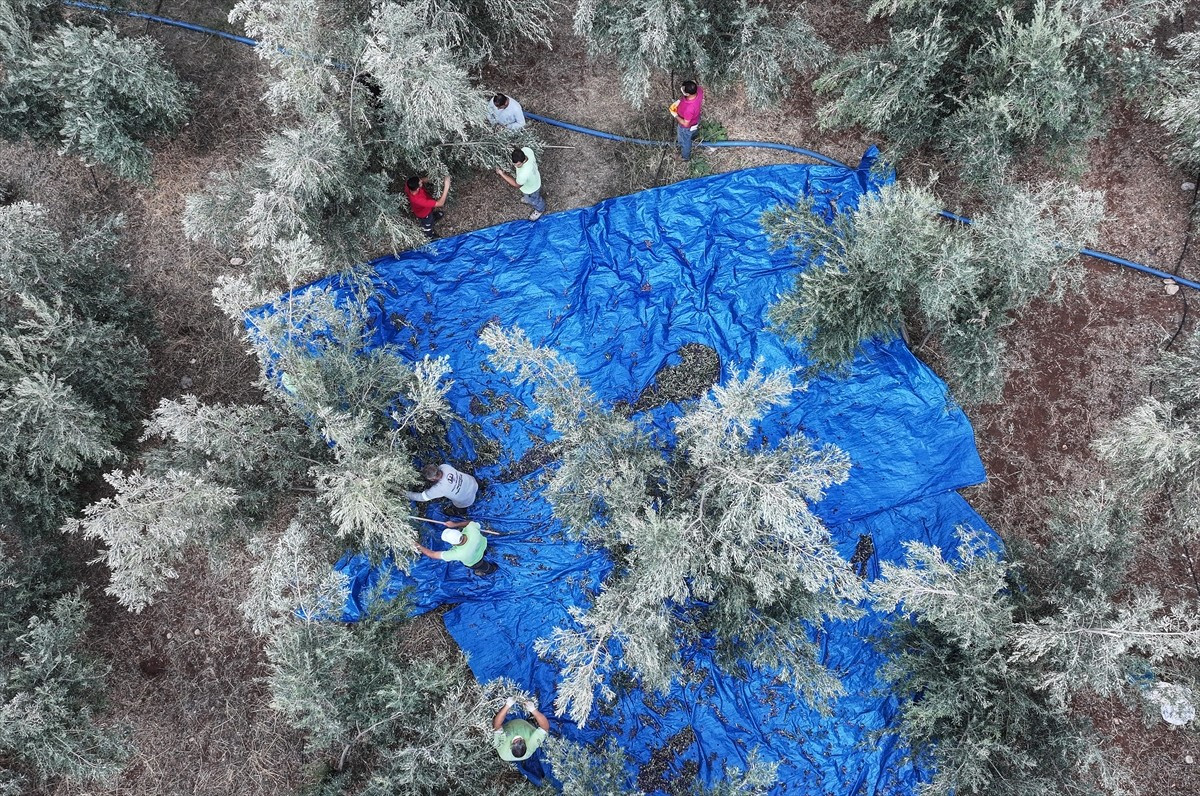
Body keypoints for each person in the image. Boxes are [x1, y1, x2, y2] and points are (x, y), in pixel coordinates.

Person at [416, 519, 498, 576]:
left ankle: (491, 570)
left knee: (483, 567)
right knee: (482, 552)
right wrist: (455, 524)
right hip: (483, 545)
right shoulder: (472, 530)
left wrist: (417, 545)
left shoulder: (458, 554)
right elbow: (470, 523)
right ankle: (488, 560)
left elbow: (433, 554)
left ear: (453, 544)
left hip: (475, 562)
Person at [495, 147, 545, 221]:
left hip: (531, 189)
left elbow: (517, 184)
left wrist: (502, 174)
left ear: (521, 162)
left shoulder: (523, 174)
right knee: (530, 197)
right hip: (535, 178)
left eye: (517, 164)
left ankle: (540, 209)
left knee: (534, 200)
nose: (515, 166)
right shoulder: (526, 150)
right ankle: (528, 199)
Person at [405, 463, 479, 509]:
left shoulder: (439, 488)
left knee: (458, 506)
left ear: (432, 479)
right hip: (473, 483)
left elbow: (422, 497)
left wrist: (405, 493)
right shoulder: (445, 467)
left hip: (467, 501)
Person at [670, 80, 704, 161]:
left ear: (688, 94)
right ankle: (694, 137)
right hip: (695, 119)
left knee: (685, 141)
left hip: (686, 128)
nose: (682, 90)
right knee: (693, 132)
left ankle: (685, 157)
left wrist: (675, 115)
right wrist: (680, 101)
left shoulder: (689, 108)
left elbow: (685, 124)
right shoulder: (699, 90)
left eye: (683, 90)